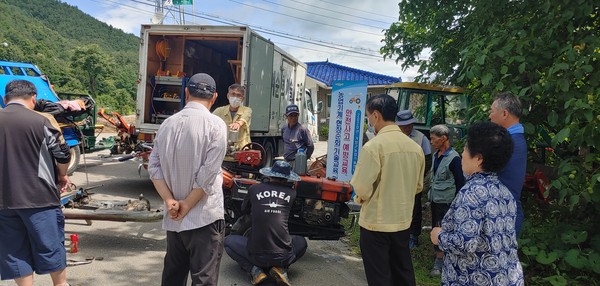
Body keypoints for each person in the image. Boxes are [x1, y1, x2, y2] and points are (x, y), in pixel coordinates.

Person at [148, 73, 228, 286]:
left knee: (173, 277)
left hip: (175, 220)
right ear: (214, 97)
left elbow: (153, 166)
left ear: (186, 93)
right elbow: (208, 174)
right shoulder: (216, 125)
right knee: (203, 279)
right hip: (204, 217)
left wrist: (169, 200)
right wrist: (188, 204)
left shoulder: (166, 125)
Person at [430, 121, 524, 285]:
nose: (462, 154)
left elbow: (465, 244)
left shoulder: (472, 193)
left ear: (479, 158)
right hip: (505, 277)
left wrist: (439, 236)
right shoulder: (504, 192)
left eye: (466, 149)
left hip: (475, 277)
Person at [0, 80, 72, 286]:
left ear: (6, 99)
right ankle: (60, 284)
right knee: (50, 245)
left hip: (3, 200)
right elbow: (63, 154)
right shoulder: (41, 121)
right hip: (39, 197)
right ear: (33, 98)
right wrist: (62, 175)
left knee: (13, 250)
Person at [350, 94, 425, 286]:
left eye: (368, 116)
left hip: (376, 224)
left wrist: (360, 199)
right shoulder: (415, 148)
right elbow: (418, 186)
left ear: (376, 115)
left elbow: (361, 187)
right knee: (403, 273)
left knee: (379, 277)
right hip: (402, 222)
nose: (369, 120)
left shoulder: (373, 147)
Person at [224, 160, 307, 286]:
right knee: (302, 242)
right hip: (282, 256)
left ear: (269, 175)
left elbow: (243, 209)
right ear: (287, 179)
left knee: (228, 242)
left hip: (257, 256)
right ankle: (280, 268)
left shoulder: (254, 189)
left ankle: (255, 271)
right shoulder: (292, 193)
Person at [427, 124, 465, 276]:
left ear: (443, 138)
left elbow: (460, 183)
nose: (431, 141)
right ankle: (440, 257)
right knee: (436, 227)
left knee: (444, 230)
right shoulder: (436, 155)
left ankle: (440, 261)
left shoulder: (454, 158)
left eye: (433, 138)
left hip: (448, 202)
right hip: (436, 200)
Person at [489, 92, 527, 237]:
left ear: (504, 113)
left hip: (503, 216)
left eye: (492, 111)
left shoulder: (508, 143)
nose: (490, 116)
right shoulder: (515, 139)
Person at [396, 110, 432, 249]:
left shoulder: (421, 138)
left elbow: (428, 161)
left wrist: (418, 177)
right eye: (404, 125)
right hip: (397, 181)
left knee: (415, 208)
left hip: (414, 181)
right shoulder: (394, 137)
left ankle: (413, 236)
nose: (407, 128)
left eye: (409, 125)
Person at [213, 83, 252, 151]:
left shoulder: (247, 110)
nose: (235, 97)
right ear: (228, 96)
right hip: (224, 152)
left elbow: (245, 117)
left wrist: (238, 123)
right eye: (233, 94)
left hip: (242, 151)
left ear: (242, 99)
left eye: (238, 95)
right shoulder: (219, 111)